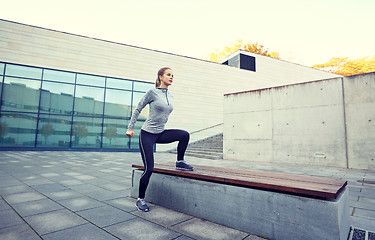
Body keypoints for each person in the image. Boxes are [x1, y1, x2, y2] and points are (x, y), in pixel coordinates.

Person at [126, 67, 194, 212]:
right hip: (147, 134)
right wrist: (130, 128)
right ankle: (140, 199)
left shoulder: (171, 95)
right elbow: (138, 109)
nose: (171, 77)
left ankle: (180, 162)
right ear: (161, 77)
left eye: (173, 76)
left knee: (184, 135)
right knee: (149, 168)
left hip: (160, 133)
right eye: (168, 75)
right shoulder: (152, 92)